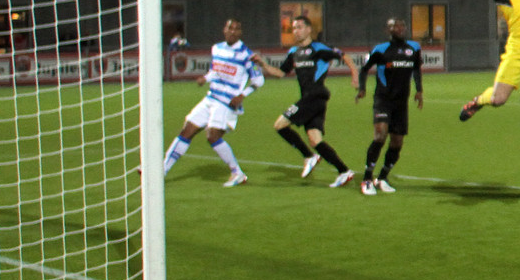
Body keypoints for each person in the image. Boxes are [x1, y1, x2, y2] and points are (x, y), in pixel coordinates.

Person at [162, 18, 263, 186]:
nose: (232, 31)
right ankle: (162, 170)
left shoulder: (247, 55)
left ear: (240, 32)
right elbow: (215, 71)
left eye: (236, 29)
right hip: (211, 97)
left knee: (213, 136)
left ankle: (237, 173)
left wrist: (242, 95)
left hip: (227, 102)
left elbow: (258, 80)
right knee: (187, 131)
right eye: (230, 28)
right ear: (224, 30)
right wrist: (206, 78)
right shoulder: (217, 48)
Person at [265, 15, 358, 188]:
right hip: (311, 99)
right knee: (315, 140)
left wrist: (355, 75)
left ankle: (309, 156)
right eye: (294, 28)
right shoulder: (293, 52)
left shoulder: (318, 48)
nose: (296, 31)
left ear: (309, 29)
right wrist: (262, 64)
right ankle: (344, 171)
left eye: (299, 27)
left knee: (280, 125)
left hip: (315, 95)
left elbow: (344, 56)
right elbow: (280, 73)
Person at [357, 16, 424, 194]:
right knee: (380, 135)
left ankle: (382, 178)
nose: (399, 29)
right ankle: (366, 179)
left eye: (402, 26)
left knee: (397, 142)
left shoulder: (414, 48)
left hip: (401, 103)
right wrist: (362, 88)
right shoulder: (380, 49)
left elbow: (416, 69)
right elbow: (364, 69)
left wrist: (419, 90)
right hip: (383, 99)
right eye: (395, 26)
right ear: (388, 30)